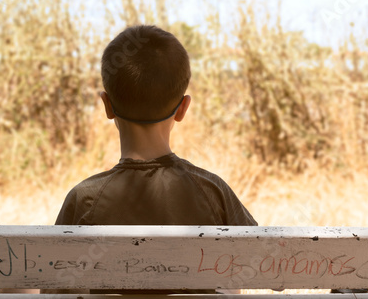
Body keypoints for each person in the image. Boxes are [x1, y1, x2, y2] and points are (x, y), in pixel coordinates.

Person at [52, 25, 257, 293]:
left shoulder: (84, 198)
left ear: (107, 105)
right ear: (183, 108)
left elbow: (53, 284)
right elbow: (260, 260)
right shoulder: (212, 190)